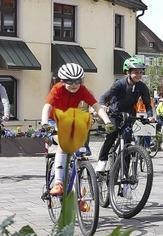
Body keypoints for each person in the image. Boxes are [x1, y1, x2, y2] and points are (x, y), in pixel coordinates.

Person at [40, 63, 111, 196]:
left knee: (78, 152)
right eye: (69, 81)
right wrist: (44, 123)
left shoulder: (82, 90)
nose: (74, 85)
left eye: (77, 81)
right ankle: (58, 183)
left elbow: (96, 107)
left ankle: (78, 195)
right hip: (52, 120)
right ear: (62, 81)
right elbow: (47, 107)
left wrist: (107, 121)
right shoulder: (57, 89)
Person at [97, 56, 155, 172]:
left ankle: (125, 174)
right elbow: (104, 97)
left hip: (129, 116)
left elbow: (148, 104)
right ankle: (102, 160)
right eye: (135, 72)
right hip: (115, 113)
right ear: (128, 72)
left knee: (127, 142)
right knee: (112, 134)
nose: (139, 75)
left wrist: (150, 116)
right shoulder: (119, 84)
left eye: (140, 72)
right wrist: (102, 105)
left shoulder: (142, 87)